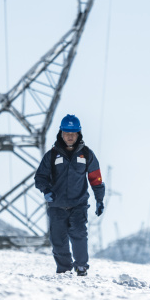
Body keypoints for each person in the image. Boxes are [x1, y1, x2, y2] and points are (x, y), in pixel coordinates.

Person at [34, 114, 105, 276]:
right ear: (61, 133)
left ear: (79, 134)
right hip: (56, 205)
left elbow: (96, 178)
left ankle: (81, 266)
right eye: (67, 133)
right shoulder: (52, 155)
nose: (70, 136)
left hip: (78, 204)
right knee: (58, 240)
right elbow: (40, 177)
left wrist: (99, 199)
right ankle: (64, 270)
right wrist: (46, 190)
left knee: (79, 233)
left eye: (73, 133)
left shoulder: (86, 154)